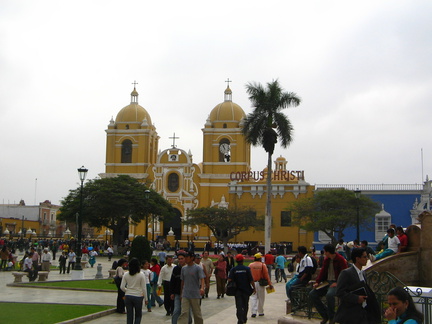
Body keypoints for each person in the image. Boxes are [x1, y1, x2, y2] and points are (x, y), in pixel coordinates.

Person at [334, 248, 381, 324]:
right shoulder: (346, 273)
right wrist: (356, 298)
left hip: (362, 313)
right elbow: (340, 292)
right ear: (358, 259)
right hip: (350, 313)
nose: (366, 259)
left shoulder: (363, 273)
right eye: (364, 257)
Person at [309, 243, 348, 324]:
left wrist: (338, 283)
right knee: (313, 294)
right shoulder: (327, 260)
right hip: (327, 282)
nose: (324, 253)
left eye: (325, 251)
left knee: (330, 295)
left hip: (336, 283)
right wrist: (317, 282)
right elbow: (323, 272)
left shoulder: (340, 260)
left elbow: (345, 274)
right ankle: (325, 315)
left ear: (328, 252)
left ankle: (332, 317)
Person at [178, 251, 206, 324]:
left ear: (192, 258)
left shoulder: (197, 268)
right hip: (185, 294)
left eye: (187, 257)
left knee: (197, 314)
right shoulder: (183, 269)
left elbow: (202, 278)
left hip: (195, 294)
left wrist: (202, 288)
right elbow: (182, 282)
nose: (185, 259)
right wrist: (181, 293)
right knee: (184, 312)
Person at [228, 254, 255, 324]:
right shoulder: (247, 269)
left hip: (237, 291)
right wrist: (254, 288)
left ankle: (240, 319)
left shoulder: (233, 269)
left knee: (239, 306)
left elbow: (230, 279)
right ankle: (244, 317)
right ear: (243, 261)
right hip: (246, 290)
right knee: (245, 305)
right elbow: (251, 280)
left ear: (236, 261)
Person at [120, 258, 148, 324]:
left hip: (128, 296)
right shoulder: (141, 274)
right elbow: (144, 288)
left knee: (129, 315)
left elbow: (122, 287)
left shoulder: (126, 274)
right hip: (138, 296)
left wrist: (127, 290)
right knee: (138, 315)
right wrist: (146, 299)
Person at [249, 252, 273, 317]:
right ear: (260, 259)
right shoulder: (263, 265)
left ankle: (253, 312)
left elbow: (248, 275)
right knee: (261, 298)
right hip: (260, 283)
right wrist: (270, 283)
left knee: (253, 297)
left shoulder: (250, 265)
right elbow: (266, 275)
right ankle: (260, 311)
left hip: (253, 283)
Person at [170, 250, 187, 324]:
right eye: (179, 259)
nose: (180, 260)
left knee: (187, 312)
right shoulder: (176, 269)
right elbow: (172, 281)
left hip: (187, 294)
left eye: (182, 258)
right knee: (176, 310)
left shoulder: (188, 268)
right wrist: (172, 293)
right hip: (177, 293)